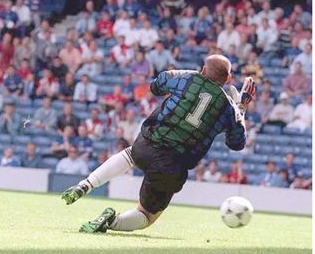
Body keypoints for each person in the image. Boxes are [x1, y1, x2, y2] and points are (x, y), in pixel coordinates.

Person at [61, 54, 255, 233]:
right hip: (172, 165)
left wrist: (186, 77)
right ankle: (111, 222)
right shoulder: (229, 109)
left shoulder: (187, 78)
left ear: (203, 70)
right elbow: (237, 143)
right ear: (228, 80)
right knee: (147, 215)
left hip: (147, 143)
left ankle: (86, 184)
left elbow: (156, 85)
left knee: (130, 155)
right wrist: (241, 109)